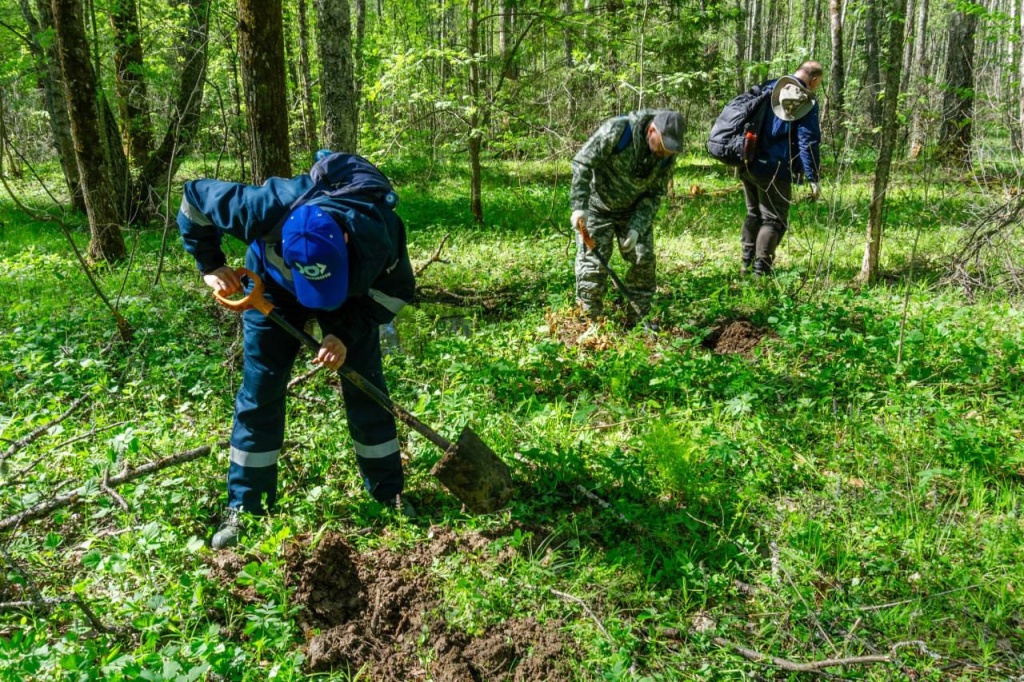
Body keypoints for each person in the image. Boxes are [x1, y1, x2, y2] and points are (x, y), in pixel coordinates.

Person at [177, 152, 416, 549]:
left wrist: (343, 335)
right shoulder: (262, 209)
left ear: (343, 239)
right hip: (270, 291)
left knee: (366, 386)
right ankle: (246, 508)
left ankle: (387, 494)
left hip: (350, 301)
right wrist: (210, 263)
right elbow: (193, 199)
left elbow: (395, 293)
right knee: (261, 390)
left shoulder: (378, 234)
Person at [570, 109, 684, 325]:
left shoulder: (666, 157)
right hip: (596, 208)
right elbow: (582, 163)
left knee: (643, 262)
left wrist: (636, 227)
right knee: (592, 268)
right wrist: (579, 206)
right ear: (651, 130)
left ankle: (640, 323)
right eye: (661, 147)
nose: (664, 154)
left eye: (669, 151)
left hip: (632, 211)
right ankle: (589, 325)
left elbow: (654, 194)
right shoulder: (618, 130)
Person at [740, 61, 823, 276]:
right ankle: (761, 271)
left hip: (747, 159)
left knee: (754, 214)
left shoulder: (767, 87)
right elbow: (808, 141)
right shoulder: (804, 100)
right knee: (774, 219)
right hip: (776, 168)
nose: (815, 87)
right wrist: (813, 177)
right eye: (818, 84)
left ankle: (745, 265)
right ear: (813, 80)